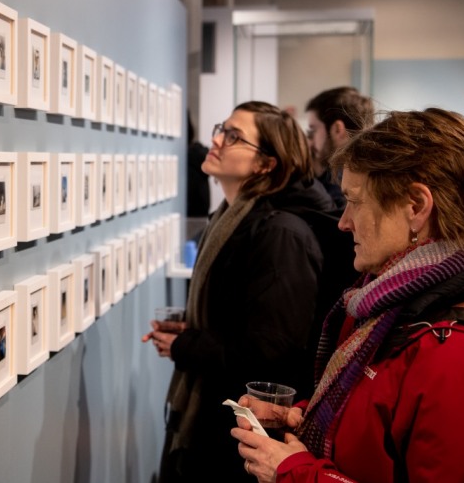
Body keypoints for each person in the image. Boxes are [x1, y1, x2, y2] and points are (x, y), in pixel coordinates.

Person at [230, 108, 464, 482]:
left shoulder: (461, 359)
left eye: (355, 200)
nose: (343, 221)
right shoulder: (389, 301)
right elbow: (381, 424)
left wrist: (294, 472)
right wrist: (305, 416)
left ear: (416, 206)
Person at [143, 101, 335, 482]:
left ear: (266, 164)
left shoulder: (281, 234)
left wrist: (186, 346)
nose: (217, 140)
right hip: (216, 418)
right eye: (222, 129)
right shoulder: (230, 220)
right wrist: (191, 332)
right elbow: (237, 319)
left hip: (238, 434)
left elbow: (271, 348)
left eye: (233, 136)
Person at [304, 86, 374, 209]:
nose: (310, 142)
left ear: (337, 129)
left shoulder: (339, 186)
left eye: (313, 130)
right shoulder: (373, 174)